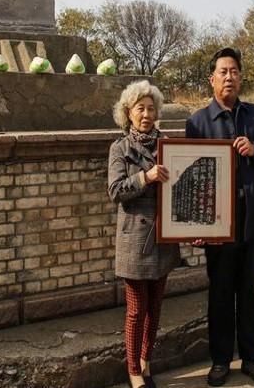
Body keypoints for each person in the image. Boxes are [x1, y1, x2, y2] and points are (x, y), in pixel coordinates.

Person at [185, 48, 254, 387]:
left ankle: (252, 358)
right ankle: (220, 360)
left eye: (234, 71)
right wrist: (195, 224)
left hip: (251, 219)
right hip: (217, 225)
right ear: (211, 78)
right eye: (223, 72)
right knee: (221, 293)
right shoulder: (198, 121)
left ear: (241, 77)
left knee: (249, 293)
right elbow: (193, 177)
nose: (229, 77)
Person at [108, 80, 181, 388]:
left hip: (164, 235)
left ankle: (145, 361)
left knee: (155, 308)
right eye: (141, 108)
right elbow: (115, 191)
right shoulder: (120, 148)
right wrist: (146, 177)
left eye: (152, 109)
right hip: (135, 240)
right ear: (128, 112)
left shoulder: (169, 145)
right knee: (136, 310)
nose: (147, 114)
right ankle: (133, 372)